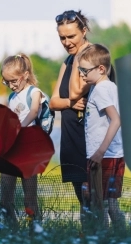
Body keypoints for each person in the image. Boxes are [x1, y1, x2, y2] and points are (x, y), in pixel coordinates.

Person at [49, 10, 91, 216]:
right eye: (62, 38)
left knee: (99, 203)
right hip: (70, 140)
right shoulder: (67, 62)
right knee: (83, 203)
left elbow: (76, 90)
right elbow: (53, 102)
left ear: (84, 31)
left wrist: (79, 56)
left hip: (92, 143)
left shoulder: (93, 57)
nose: (66, 42)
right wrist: (70, 104)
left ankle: (110, 242)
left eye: (71, 36)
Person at [78, 44, 125, 226]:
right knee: (112, 204)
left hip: (103, 157)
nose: (81, 74)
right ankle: (123, 237)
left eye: (84, 70)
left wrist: (100, 152)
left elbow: (116, 120)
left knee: (100, 204)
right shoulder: (111, 87)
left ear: (101, 69)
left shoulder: (100, 90)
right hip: (117, 154)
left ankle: (102, 242)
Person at [0, 53, 45, 227]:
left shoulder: (34, 92)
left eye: (13, 81)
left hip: (28, 150)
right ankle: (13, 232)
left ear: (25, 75)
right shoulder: (11, 97)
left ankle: (35, 233)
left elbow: (33, 112)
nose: (11, 85)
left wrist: (20, 128)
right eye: (6, 82)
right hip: (11, 150)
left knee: (30, 199)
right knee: (5, 199)